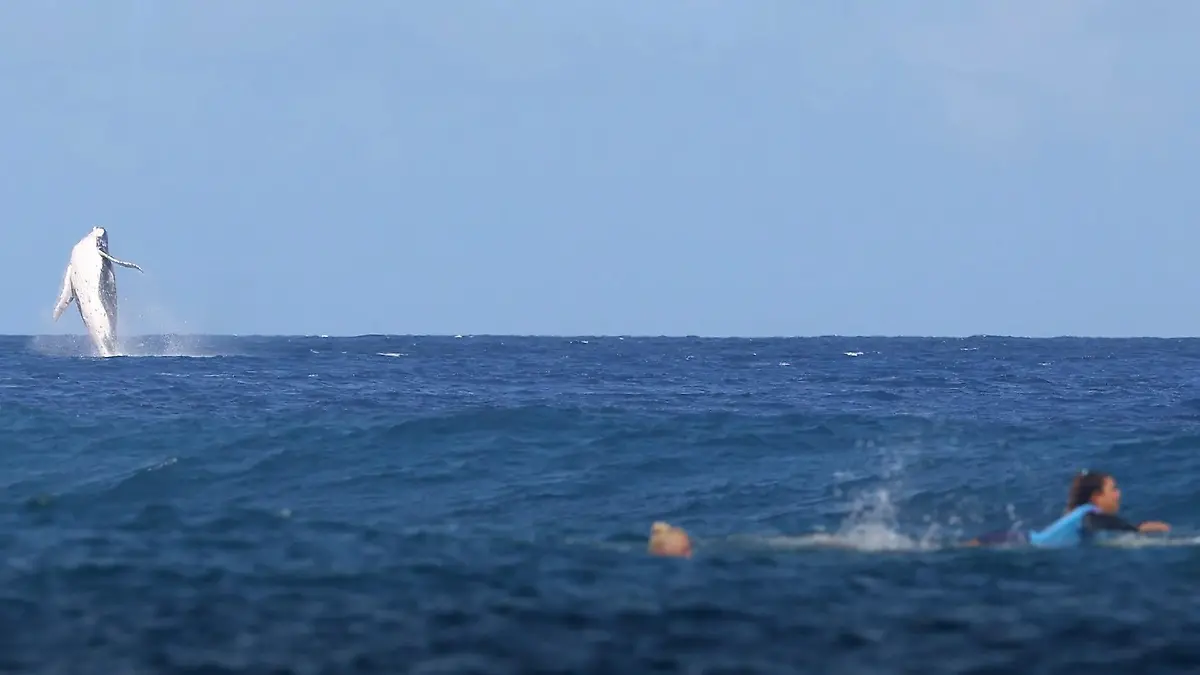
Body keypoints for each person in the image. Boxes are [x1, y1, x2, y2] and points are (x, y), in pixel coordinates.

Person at [966, 469, 1170, 548]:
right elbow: (1094, 522)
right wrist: (1137, 529)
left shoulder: (1082, 513)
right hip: (1019, 542)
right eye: (1113, 489)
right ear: (1097, 497)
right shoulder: (1089, 512)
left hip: (1017, 539)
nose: (1118, 494)